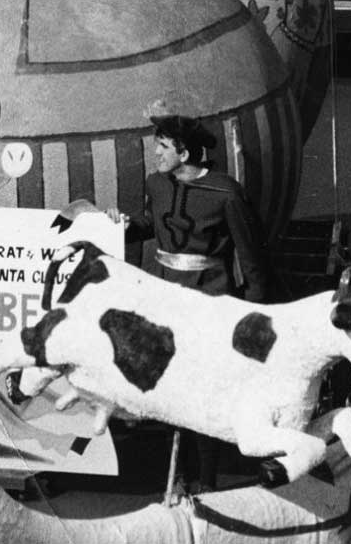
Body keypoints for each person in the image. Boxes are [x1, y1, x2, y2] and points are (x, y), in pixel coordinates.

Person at [112, 115, 266, 491]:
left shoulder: (226, 193)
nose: (156, 154)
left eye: (163, 147)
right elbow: (154, 223)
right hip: (166, 298)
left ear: (184, 152)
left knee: (203, 394)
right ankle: (178, 477)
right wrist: (126, 224)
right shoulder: (156, 184)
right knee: (169, 390)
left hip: (209, 300)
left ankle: (208, 482)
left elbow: (251, 258)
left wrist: (253, 311)